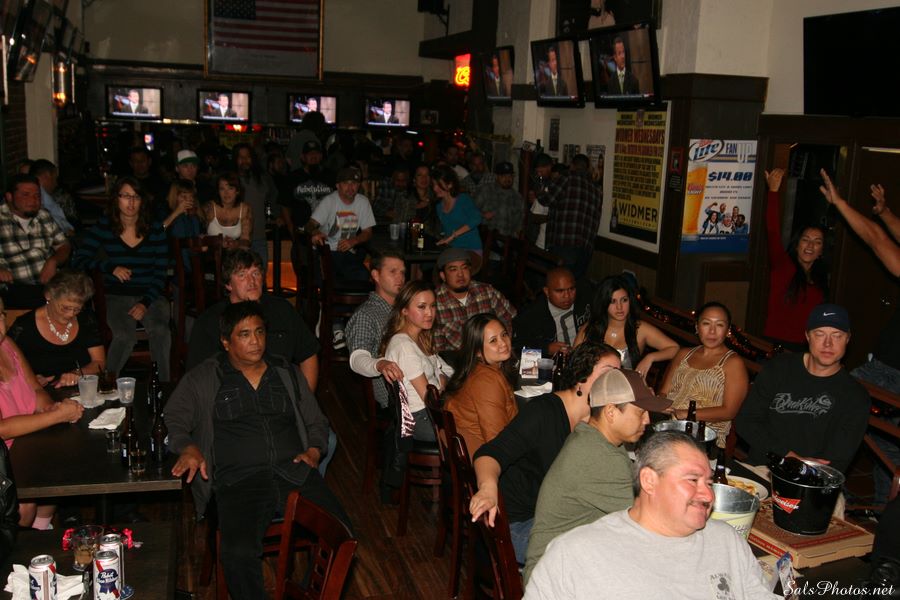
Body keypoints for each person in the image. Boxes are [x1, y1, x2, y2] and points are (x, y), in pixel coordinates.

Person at [166, 301, 350, 598]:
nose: (255, 341)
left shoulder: (286, 372)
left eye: (260, 332)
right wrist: (187, 446)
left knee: (341, 534)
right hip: (239, 480)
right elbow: (174, 417)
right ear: (226, 342)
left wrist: (315, 451)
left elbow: (316, 420)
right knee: (238, 554)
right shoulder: (205, 377)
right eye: (245, 334)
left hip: (294, 471)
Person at [525, 431, 779, 599]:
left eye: (709, 482)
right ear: (649, 480)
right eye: (692, 480)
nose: (708, 495)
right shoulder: (576, 554)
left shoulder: (726, 541)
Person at [469, 342, 621, 564]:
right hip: (520, 523)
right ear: (581, 377)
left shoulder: (601, 421)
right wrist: (487, 488)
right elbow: (489, 453)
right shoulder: (544, 412)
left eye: (619, 374)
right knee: (597, 555)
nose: (616, 382)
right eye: (609, 373)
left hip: (558, 517)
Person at [523, 367, 671, 583]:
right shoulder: (599, 456)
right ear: (611, 412)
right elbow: (650, 523)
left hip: (570, 560)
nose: (647, 420)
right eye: (640, 412)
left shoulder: (592, 437)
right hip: (553, 579)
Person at [820, 175, 900, 505]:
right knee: (886, 442)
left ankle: (832, 491)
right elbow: (883, 235)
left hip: (889, 372)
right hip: (885, 367)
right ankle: (880, 507)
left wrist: (840, 204)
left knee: (831, 403)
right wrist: (885, 213)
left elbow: (877, 241)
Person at [735, 303, 870, 474]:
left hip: (813, 477)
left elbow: (837, 459)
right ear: (807, 336)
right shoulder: (779, 368)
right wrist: (788, 456)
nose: (828, 343)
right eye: (819, 334)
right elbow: (746, 421)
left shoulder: (855, 397)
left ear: (848, 339)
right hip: (763, 467)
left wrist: (802, 468)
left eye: (837, 336)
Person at [72, 177, 172, 381]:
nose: (131, 202)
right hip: (115, 295)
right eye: (126, 196)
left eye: (136, 197)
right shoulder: (105, 227)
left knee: (161, 331)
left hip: (150, 295)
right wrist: (109, 267)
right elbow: (79, 259)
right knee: (124, 336)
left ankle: (163, 387)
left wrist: (145, 303)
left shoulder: (155, 229)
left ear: (143, 201)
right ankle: (107, 384)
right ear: (116, 199)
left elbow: (160, 273)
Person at [0, 296, 84, 528]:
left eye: (1, 316)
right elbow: (2, 429)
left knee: (60, 467)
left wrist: (51, 408)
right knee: (24, 507)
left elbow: (35, 389)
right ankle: (22, 544)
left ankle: (39, 534)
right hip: (4, 451)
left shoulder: (7, 344)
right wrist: (55, 416)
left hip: (25, 440)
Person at [187, 249, 320, 391]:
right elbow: (197, 376)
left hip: (281, 396)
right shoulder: (211, 321)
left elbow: (308, 355)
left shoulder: (282, 310)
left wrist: (305, 399)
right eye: (242, 275)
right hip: (231, 398)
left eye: (256, 273)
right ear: (228, 284)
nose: (251, 281)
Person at [658, 301, 748, 448]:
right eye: (706, 323)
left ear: (728, 331)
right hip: (669, 428)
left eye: (719, 325)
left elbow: (729, 411)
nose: (712, 331)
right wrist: (660, 402)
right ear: (697, 327)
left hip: (704, 437)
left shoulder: (733, 363)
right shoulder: (683, 354)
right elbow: (664, 392)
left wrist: (686, 414)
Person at [762, 167, 827, 351]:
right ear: (797, 244)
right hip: (775, 345)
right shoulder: (783, 266)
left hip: (805, 348)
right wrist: (773, 192)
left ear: (821, 251)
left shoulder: (821, 278)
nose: (810, 246)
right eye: (805, 240)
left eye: (817, 242)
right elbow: (772, 231)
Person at [381, 281, 453, 442]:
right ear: (404, 310)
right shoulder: (403, 345)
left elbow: (444, 372)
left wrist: (443, 381)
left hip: (431, 411)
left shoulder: (420, 338)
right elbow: (429, 398)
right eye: (422, 307)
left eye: (433, 306)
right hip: (422, 418)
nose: (429, 313)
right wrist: (443, 384)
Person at [8, 270, 105, 388]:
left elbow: (99, 362)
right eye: (65, 308)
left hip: (82, 388)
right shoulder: (24, 326)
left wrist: (77, 374)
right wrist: (30, 379)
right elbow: (6, 364)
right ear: (49, 295)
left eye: (77, 309)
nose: (71, 314)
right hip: (41, 392)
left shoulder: (86, 318)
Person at [444, 313, 519, 457]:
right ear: (477, 351)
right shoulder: (486, 381)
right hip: (484, 458)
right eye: (493, 341)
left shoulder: (483, 370)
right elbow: (497, 439)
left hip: (478, 451)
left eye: (504, 335)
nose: (503, 343)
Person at [575, 275, 679, 377]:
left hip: (626, 386)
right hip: (593, 386)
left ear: (630, 300)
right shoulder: (590, 328)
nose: (619, 307)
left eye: (624, 300)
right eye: (613, 301)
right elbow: (574, 362)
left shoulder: (640, 329)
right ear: (604, 303)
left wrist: (650, 358)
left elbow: (675, 348)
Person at [347, 250, 407, 408]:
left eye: (402, 272)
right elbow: (357, 359)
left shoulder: (407, 309)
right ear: (375, 275)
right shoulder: (366, 315)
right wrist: (380, 364)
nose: (400, 278)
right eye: (393, 271)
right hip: (395, 397)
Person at [0, 174, 71, 309]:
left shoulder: (43, 215)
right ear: (9, 197)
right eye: (25, 195)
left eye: (37, 195)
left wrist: (53, 261)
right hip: (15, 287)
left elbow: (64, 245)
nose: (33, 200)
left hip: (49, 285)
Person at [433, 248, 516, 353]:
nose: (460, 274)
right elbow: (437, 349)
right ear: (443, 276)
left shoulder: (486, 292)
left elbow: (509, 318)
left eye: (464, 268)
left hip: (494, 353)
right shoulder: (434, 303)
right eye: (453, 269)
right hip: (457, 359)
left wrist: (504, 345)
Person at [535, 154, 602, 279]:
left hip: (564, 244)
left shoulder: (567, 177)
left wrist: (539, 190)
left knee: (557, 283)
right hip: (586, 248)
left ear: (572, 165)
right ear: (587, 168)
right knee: (573, 285)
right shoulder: (597, 189)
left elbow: (547, 199)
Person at [306, 166, 376, 284]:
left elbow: (368, 232)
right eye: (346, 183)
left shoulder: (363, 202)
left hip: (347, 253)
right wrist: (316, 232)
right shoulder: (329, 201)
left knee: (364, 277)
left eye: (354, 183)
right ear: (338, 186)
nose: (350, 187)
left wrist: (354, 240)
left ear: (359, 185)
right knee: (353, 277)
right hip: (326, 251)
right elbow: (309, 225)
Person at [513, 267, 592, 357]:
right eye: (560, 291)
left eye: (571, 289)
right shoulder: (531, 315)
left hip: (588, 353)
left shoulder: (585, 295)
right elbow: (517, 348)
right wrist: (546, 349)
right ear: (547, 291)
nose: (567, 296)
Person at [233, 142, 278, 266]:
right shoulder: (230, 180)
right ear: (235, 159)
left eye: (248, 157)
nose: (245, 160)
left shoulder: (262, 179)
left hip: (259, 236)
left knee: (261, 273)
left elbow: (275, 197)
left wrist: (277, 215)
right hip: (236, 239)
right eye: (241, 157)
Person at [279, 139, 335, 235]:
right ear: (303, 157)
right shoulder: (293, 177)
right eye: (309, 154)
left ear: (321, 156)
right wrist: (290, 227)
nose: (313, 156)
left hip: (327, 231)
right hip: (302, 232)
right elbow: (284, 204)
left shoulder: (331, 176)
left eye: (316, 153)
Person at [433, 164, 483, 252]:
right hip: (453, 249)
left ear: (450, 184)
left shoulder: (463, 199)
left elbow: (477, 218)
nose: (435, 188)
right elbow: (447, 231)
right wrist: (445, 239)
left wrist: (453, 235)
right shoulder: (439, 206)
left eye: (438, 185)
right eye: (433, 185)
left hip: (471, 249)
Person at [203, 171, 252, 250]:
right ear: (218, 191)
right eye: (222, 189)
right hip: (211, 254)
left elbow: (246, 240)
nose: (226, 193)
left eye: (230, 188)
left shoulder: (245, 209)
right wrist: (219, 241)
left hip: (234, 254)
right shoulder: (210, 208)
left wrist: (236, 243)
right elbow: (199, 237)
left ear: (237, 191)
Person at [474, 162, 524, 239]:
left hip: (507, 241)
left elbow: (519, 224)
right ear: (496, 176)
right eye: (503, 176)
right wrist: (482, 215)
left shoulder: (517, 197)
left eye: (510, 176)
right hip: (486, 239)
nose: (507, 179)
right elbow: (470, 210)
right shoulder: (486, 190)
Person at [28, 160, 74, 235]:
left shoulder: (44, 194)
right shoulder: (38, 195)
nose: (56, 184)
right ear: (47, 175)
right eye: (55, 178)